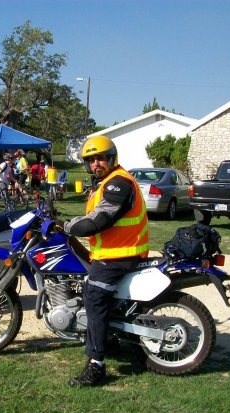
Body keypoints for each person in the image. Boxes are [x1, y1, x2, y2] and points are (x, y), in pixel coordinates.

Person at [62, 135, 149, 387]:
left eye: (100, 158)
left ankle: (96, 365)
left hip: (121, 254)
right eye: (91, 160)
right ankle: (110, 339)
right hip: (111, 252)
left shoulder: (119, 183)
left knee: (94, 297)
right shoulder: (104, 182)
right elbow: (94, 214)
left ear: (112, 158)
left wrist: (66, 226)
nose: (96, 164)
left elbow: (99, 221)